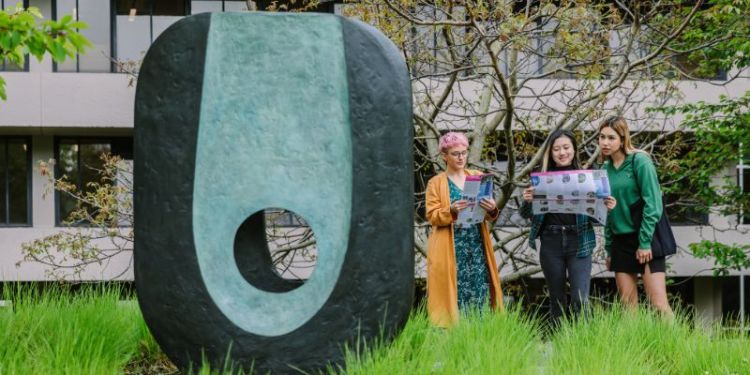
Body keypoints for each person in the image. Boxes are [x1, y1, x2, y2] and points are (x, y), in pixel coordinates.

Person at [520, 129, 616, 325]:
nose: (562, 153)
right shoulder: (540, 177)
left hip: (580, 240)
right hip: (550, 241)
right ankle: (559, 347)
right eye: (556, 149)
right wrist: (527, 200)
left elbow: (597, 218)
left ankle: (582, 346)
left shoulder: (588, 178)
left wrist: (608, 207)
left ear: (574, 149)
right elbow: (526, 215)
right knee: (557, 300)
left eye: (566, 148)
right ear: (550, 152)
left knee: (580, 299)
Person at [425, 132, 503, 327]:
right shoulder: (436, 183)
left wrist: (492, 208)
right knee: (454, 292)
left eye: (464, 153)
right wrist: (450, 210)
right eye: (455, 153)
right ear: (445, 156)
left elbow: (489, 213)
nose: (461, 157)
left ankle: (480, 334)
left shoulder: (477, 177)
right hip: (451, 245)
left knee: (480, 288)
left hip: (475, 242)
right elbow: (432, 216)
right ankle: (453, 337)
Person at [598, 116, 673, 316]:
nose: (605, 142)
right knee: (628, 307)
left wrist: (645, 242)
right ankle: (635, 347)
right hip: (621, 241)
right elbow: (608, 211)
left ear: (622, 139)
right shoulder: (604, 170)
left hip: (647, 237)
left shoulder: (639, 161)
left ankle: (678, 346)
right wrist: (609, 248)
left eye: (611, 138)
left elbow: (653, 204)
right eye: (602, 137)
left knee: (658, 304)